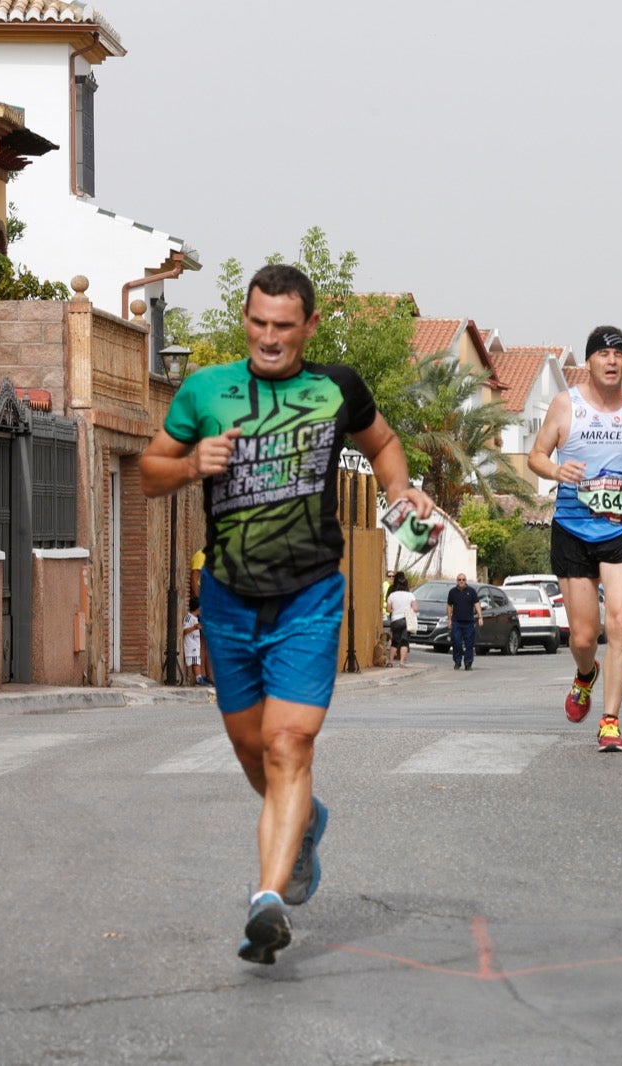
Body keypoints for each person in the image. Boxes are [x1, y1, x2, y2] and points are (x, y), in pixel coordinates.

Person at [140, 263, 435, 965]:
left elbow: (382, 443)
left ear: (309, 326)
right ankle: (304, 824)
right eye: (257, 322)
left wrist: (400, 490)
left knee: (287, 745)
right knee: (251, 750)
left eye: (282, 325)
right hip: (227, 597)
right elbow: (148, 472)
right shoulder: (204, 390)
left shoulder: (337, 388)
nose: (268, 338)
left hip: (309, 592)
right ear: (245, 318)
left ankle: (267, 901)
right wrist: (191, 465)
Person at [527, 326, 622, 753]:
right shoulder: (565, 404)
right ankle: (586, 674)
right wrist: (556, 471)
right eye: (603, 354)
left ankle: (610, 721)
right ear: (589, 362)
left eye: (618, 354)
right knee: (584, 638)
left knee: (621, 621)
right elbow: (536, 456)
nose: (611, 361)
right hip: (573, 528)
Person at [446, 573, 481, 669]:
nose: (461, 581)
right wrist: (449, 619)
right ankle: (457, 662)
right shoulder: (452, 592)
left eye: (463, 579)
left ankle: (468, 663)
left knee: (469, 644)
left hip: (469, 622)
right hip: (456, 622)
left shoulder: (471, 591)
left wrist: (480, 617)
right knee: (456, 642)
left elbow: (477, 604)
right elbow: (449, 606)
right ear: (457, 581)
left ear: (466, 581)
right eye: (459, 579)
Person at [386, 571, 417, 666]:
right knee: (404, 641)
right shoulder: (410, 595)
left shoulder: (392, 595)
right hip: (407, 620)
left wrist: (394, 610)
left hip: (395, 620)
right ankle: (402, 662)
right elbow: (415, 608)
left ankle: (390, 661)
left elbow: (388, 609)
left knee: (395, 641)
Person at [183, 595, 209, 686]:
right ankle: (199, 679)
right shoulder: (188, 618)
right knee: (195, 662)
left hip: (195, 644)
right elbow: (184, 631)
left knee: (196, 660)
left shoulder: (195, 619)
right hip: (191, 644)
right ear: (197, 608)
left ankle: (200, 678)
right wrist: (194, 627)